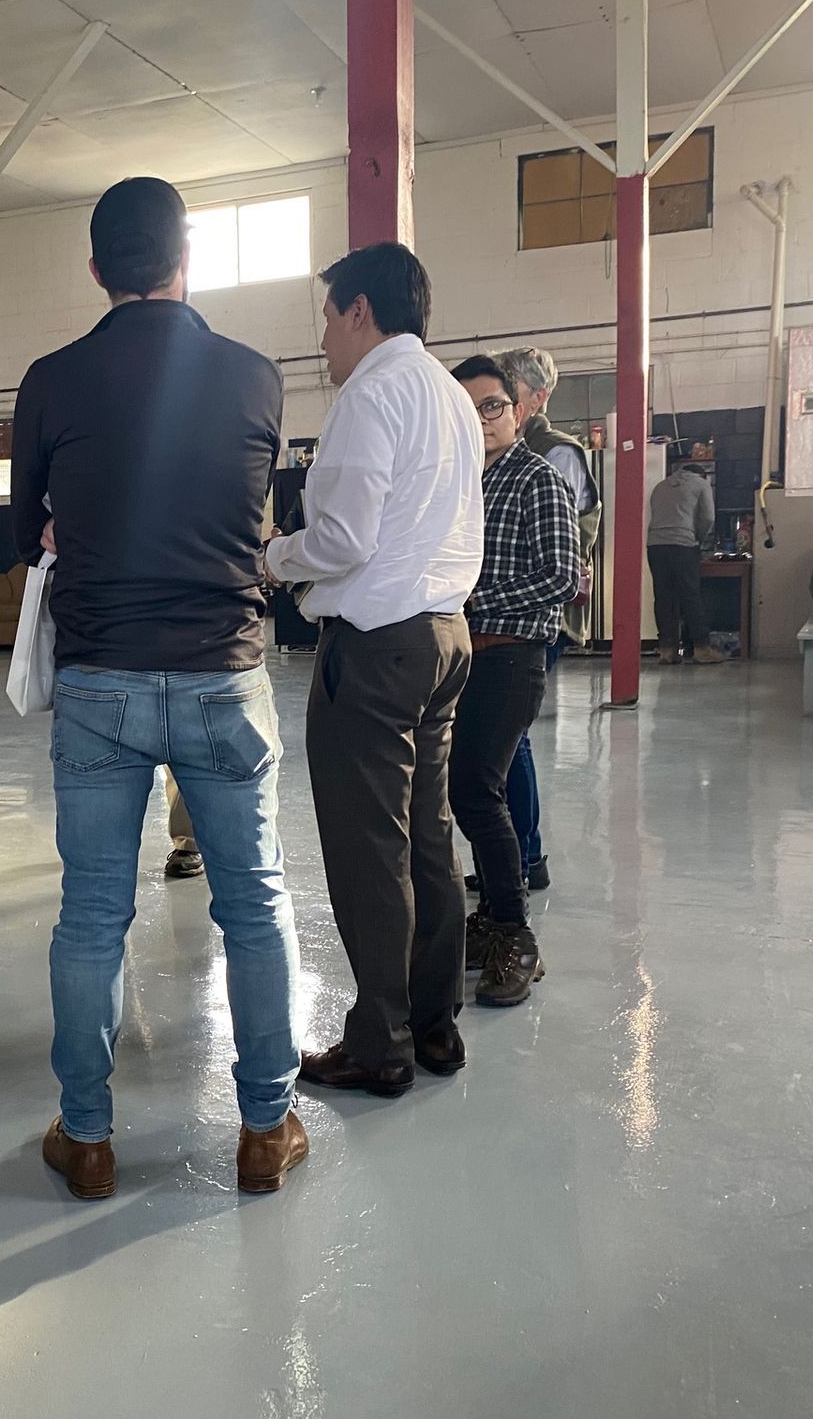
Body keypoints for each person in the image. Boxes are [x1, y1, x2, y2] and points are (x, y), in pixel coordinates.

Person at [13, 176, 307, 1199]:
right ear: (187, 261)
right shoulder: (255, 375)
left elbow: (24, 531)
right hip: (224, 672)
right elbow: (252, 510)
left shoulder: (50, 379)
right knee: (255, 905)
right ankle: (265, 1128)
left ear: (96, 269)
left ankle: (88, 1137)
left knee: (92, 914)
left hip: (100, 680)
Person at [263, 240, 482, 1100]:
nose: (323, 338)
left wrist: (275, 557)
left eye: (326, 316)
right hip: (444, 637)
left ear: (360, 310)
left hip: (379, 647)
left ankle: (379, 1044)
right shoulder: (451, 397)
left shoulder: (371, 394)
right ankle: (434, 1027)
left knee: (369, 851)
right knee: (429, 839)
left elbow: (345, 540)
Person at [446, 356, 580, 1007]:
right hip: (460, 660)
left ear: (517, 408)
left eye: (492, 405)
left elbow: (561, 576)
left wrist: (471, 600)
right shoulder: (459, 483)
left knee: (478, 791)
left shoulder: (537, 479)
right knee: (461, 790)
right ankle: (493, 918)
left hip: (510, 657)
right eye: (467, 409)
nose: (482, 420)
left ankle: (516, 934)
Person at [480, 346, 599, 894]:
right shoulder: (483, 462)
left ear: (535, 399)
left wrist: (478, 599)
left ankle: (524, 857)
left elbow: (564, 558)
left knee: (511, 742)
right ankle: (515, 858)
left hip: (530, 620)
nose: (493, 412)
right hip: (492, 622)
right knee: (499, 750)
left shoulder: (552, 459)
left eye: (504, 399)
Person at [646, 452, 722, 664]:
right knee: (690, 595)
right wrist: (698, 538)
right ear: (701, 475)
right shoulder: (701, 484)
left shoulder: (660, 486)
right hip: (683, 545)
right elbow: (708, 517)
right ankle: (701, 649)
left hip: (655, 546)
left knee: (663, 598)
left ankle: (666, 650)